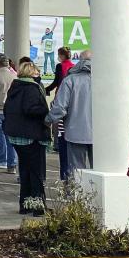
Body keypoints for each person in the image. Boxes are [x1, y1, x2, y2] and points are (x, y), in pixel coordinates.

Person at [4, 60, 50, 216]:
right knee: (36, 173)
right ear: (32, 73)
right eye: (37, 73)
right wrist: (45, 109)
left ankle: (25, 205)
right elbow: (31, 109)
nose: (39, 75)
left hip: (17, 136)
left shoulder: (15, 87)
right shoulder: (32, 88)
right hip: (32, 135)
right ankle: (38, 207)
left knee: (25, 171)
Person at [47, 51, 94, 181]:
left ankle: (76, 198)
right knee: (98, 170)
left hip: (75, 132)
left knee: (77, 170)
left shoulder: (70, 80)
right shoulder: (104, 80)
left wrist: (48, 120)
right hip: (100, 135)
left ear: (79, 61)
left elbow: (60, 108)